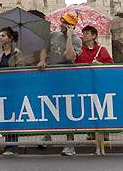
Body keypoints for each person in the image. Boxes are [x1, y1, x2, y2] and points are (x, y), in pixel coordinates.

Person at [37, 12, 82, 156]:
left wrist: (69, 37)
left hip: (67, 78)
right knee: (48, 105)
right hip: (51, 76)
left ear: (72, 26)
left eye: (65, 22)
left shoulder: (77, 41)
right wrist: (43, 60)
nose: (62, 24)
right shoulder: (53, 35)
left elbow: (70, 56)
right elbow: (44, 48)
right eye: (62, 21)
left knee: (67, 110)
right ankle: (47, 134)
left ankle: (70, 144)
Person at [0, 27, 23, 156]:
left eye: (3, 35)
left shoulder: (17, 53)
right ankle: (0, 142)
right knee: (0, 116)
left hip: (12, 89)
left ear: (10, 38)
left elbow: (21, 69)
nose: (0, 38)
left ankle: (12, 146)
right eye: (0, 35)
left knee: (12, 116)